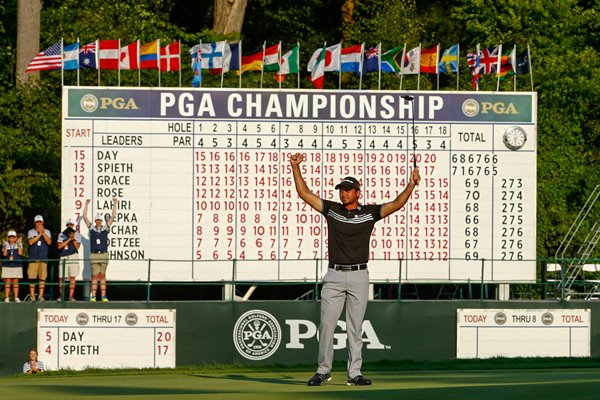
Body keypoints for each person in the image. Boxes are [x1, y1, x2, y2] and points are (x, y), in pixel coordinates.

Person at [290, 153, 420, 386]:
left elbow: (396, 204)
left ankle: (354, 373)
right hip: (334, 275)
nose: (344, 193)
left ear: (358, 192)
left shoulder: (368, 213)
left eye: (348, 190)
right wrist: (295, 167)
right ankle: (323, 371)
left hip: (359, 274)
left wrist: (410, 184)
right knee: (327, 325)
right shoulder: (332, 210)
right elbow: (305, 194)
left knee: (355, 328)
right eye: (341, 189)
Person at [83, 198, 117, 302]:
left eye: (99, 220)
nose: (98, 221)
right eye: (96, 220)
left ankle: (103, 296)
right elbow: (85, 217)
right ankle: (93, 296)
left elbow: (113, 217)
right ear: (95, 221)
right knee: (94, 276)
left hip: (103, 255)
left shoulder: (105, 228)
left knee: (102, 276)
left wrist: (114, 204)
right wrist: (86, 204)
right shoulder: (92, 229)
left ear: (101, 221)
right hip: (94, 255)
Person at [27, 215, 52, 302]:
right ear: (34, 223)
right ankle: (32, 296)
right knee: (32, 278)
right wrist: (39, 234)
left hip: (43, 258)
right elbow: (30, 242)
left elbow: (49, 242)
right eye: (37, 222)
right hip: (33, 258)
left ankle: (41, 296)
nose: (39, 223)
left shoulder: (47, 232)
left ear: (43, 222)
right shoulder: (31, 232)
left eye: (40, 222)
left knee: (42, 278)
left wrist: (43, 233)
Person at [57, 218, 81, 301]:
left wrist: (73, 238)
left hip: (73, 255)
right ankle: (61, 296)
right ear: (66, 226)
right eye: (68, 225)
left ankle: (71, 296)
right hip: (63, 256)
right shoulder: (61, 234)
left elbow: (77, 247)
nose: (69, 226)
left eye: (71, 225)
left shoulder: (77, 234)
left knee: (72, 277)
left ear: (73, 225)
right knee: (61, 277)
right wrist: (69, 239)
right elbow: (59, 246)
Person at [3, 230, 24, 303]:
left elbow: (20, 253)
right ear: (8, 238)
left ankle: (16, 297)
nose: (12, 238)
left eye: (13, 237)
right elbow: (5, 254)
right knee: (7, 281)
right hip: (7, 265)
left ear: (15, 238)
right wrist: (5, 245)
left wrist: (18, 244)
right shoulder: (5, 244)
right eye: (10, 237)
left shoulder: (19, 244)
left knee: (16, 281)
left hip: (17, 264)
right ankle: (7, 298)